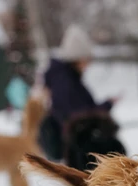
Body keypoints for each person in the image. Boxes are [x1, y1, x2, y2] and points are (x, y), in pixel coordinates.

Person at [40, 24, 118, 161]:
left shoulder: (66, 79)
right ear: (78, 58)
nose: (89, 63)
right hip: (78, 150)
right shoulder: (66, 82)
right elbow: (79, 117)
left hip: (76, 146)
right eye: (87, 58)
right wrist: (106, 106)